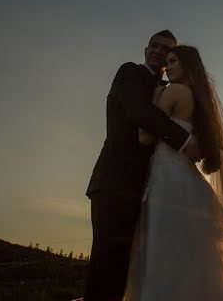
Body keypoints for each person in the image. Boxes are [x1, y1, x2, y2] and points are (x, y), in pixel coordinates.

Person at [123, 45, 223, 300]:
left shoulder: (174, 91)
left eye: (173, 61)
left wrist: (156, 98)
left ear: (187, 66)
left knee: (165, 252)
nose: (167, 67)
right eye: (167, 62)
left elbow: (145, 136)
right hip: (187, 179)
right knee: (193, 258)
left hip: (167, 179)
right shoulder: (197, 99)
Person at [84, 30, 202, 301]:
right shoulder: (130, 73)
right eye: (154, 46)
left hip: (146, 189)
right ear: (146, 48)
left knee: (127, 268)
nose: (158, 52)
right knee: (106, 265)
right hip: (115, 182)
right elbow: (139, 112)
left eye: (166, 49)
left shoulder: (169, 88)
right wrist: (185, 140)